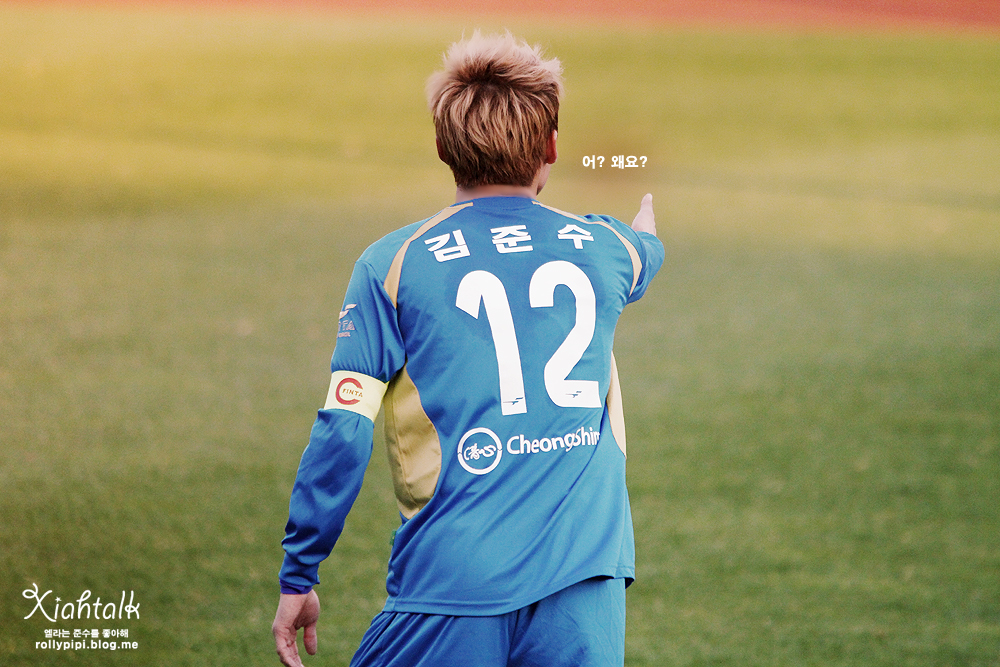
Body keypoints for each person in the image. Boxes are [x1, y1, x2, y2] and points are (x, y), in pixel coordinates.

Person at [272, 31, 663, 667]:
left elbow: (343, 430)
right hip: (586, 584)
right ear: (551, 146)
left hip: (452, 580)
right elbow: (644, 252)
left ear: (442, 146)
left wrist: (300, 569)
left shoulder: (390, 265)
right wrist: (646, 237)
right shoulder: (607, 248)